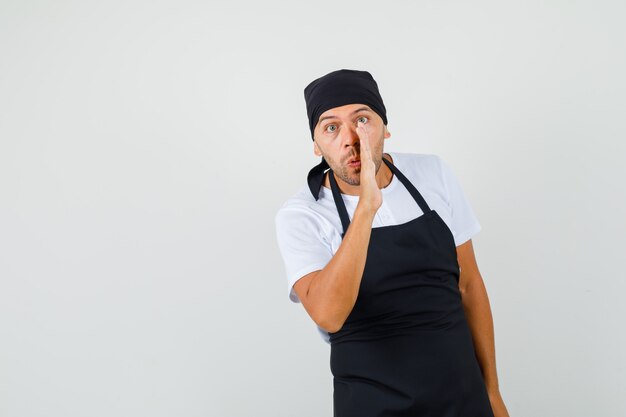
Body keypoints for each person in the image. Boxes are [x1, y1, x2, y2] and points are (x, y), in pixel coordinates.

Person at [275, 69, 509, 417]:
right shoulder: (302, 215)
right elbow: (328, 314)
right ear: (316, 144)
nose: (350, 139)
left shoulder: (433, 174)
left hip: (463, 397)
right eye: (331, 127)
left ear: (385, 127)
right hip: (373, 406)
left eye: (362, 120)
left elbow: (469, 284)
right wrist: (366, 206)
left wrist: (491, 391)